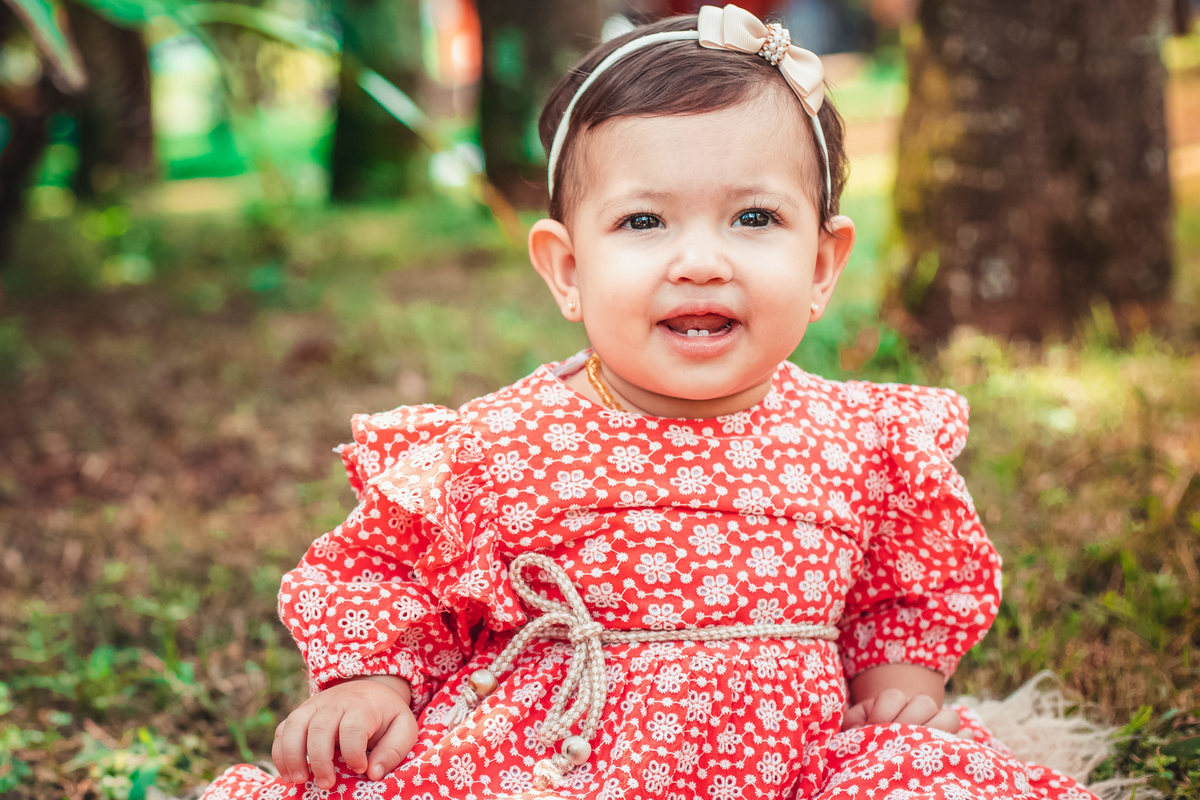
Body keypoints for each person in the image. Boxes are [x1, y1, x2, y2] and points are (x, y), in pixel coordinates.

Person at [202, 6, 1099, 799]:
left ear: (822, 266)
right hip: (560, 762)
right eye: (643, 222)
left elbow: (908, 579)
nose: (701, 260)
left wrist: (901, 675)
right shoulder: (503, 444)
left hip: (801, 766)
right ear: (567, 269)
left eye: (754, 218)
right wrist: (371, 684)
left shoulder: (860, 440)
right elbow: (388, 572)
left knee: (930, 780)